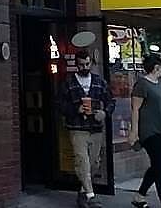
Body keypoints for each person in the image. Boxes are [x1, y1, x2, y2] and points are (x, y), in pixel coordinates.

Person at [59, 49, 115, 208]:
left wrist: (104, 113)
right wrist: (74, 110)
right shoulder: (68, 83)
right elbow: (59, 104)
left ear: (91, 63)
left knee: (94, 162)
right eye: (81, 65)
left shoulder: (99, 81)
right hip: (77, 127)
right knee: (81, 160)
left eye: (87, 64)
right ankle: (91, 195)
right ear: (76, 65)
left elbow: (111, 101)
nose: (84, 67)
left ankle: (83, 192)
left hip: (96, 127)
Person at [129, 54, 161, 208]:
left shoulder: (160, 83)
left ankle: (140, 195)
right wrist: (134, 132)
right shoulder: (142, 85)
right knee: (160, 166)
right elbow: (135, 109)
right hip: (149, 131)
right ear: (156, 68)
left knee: (157, 165)